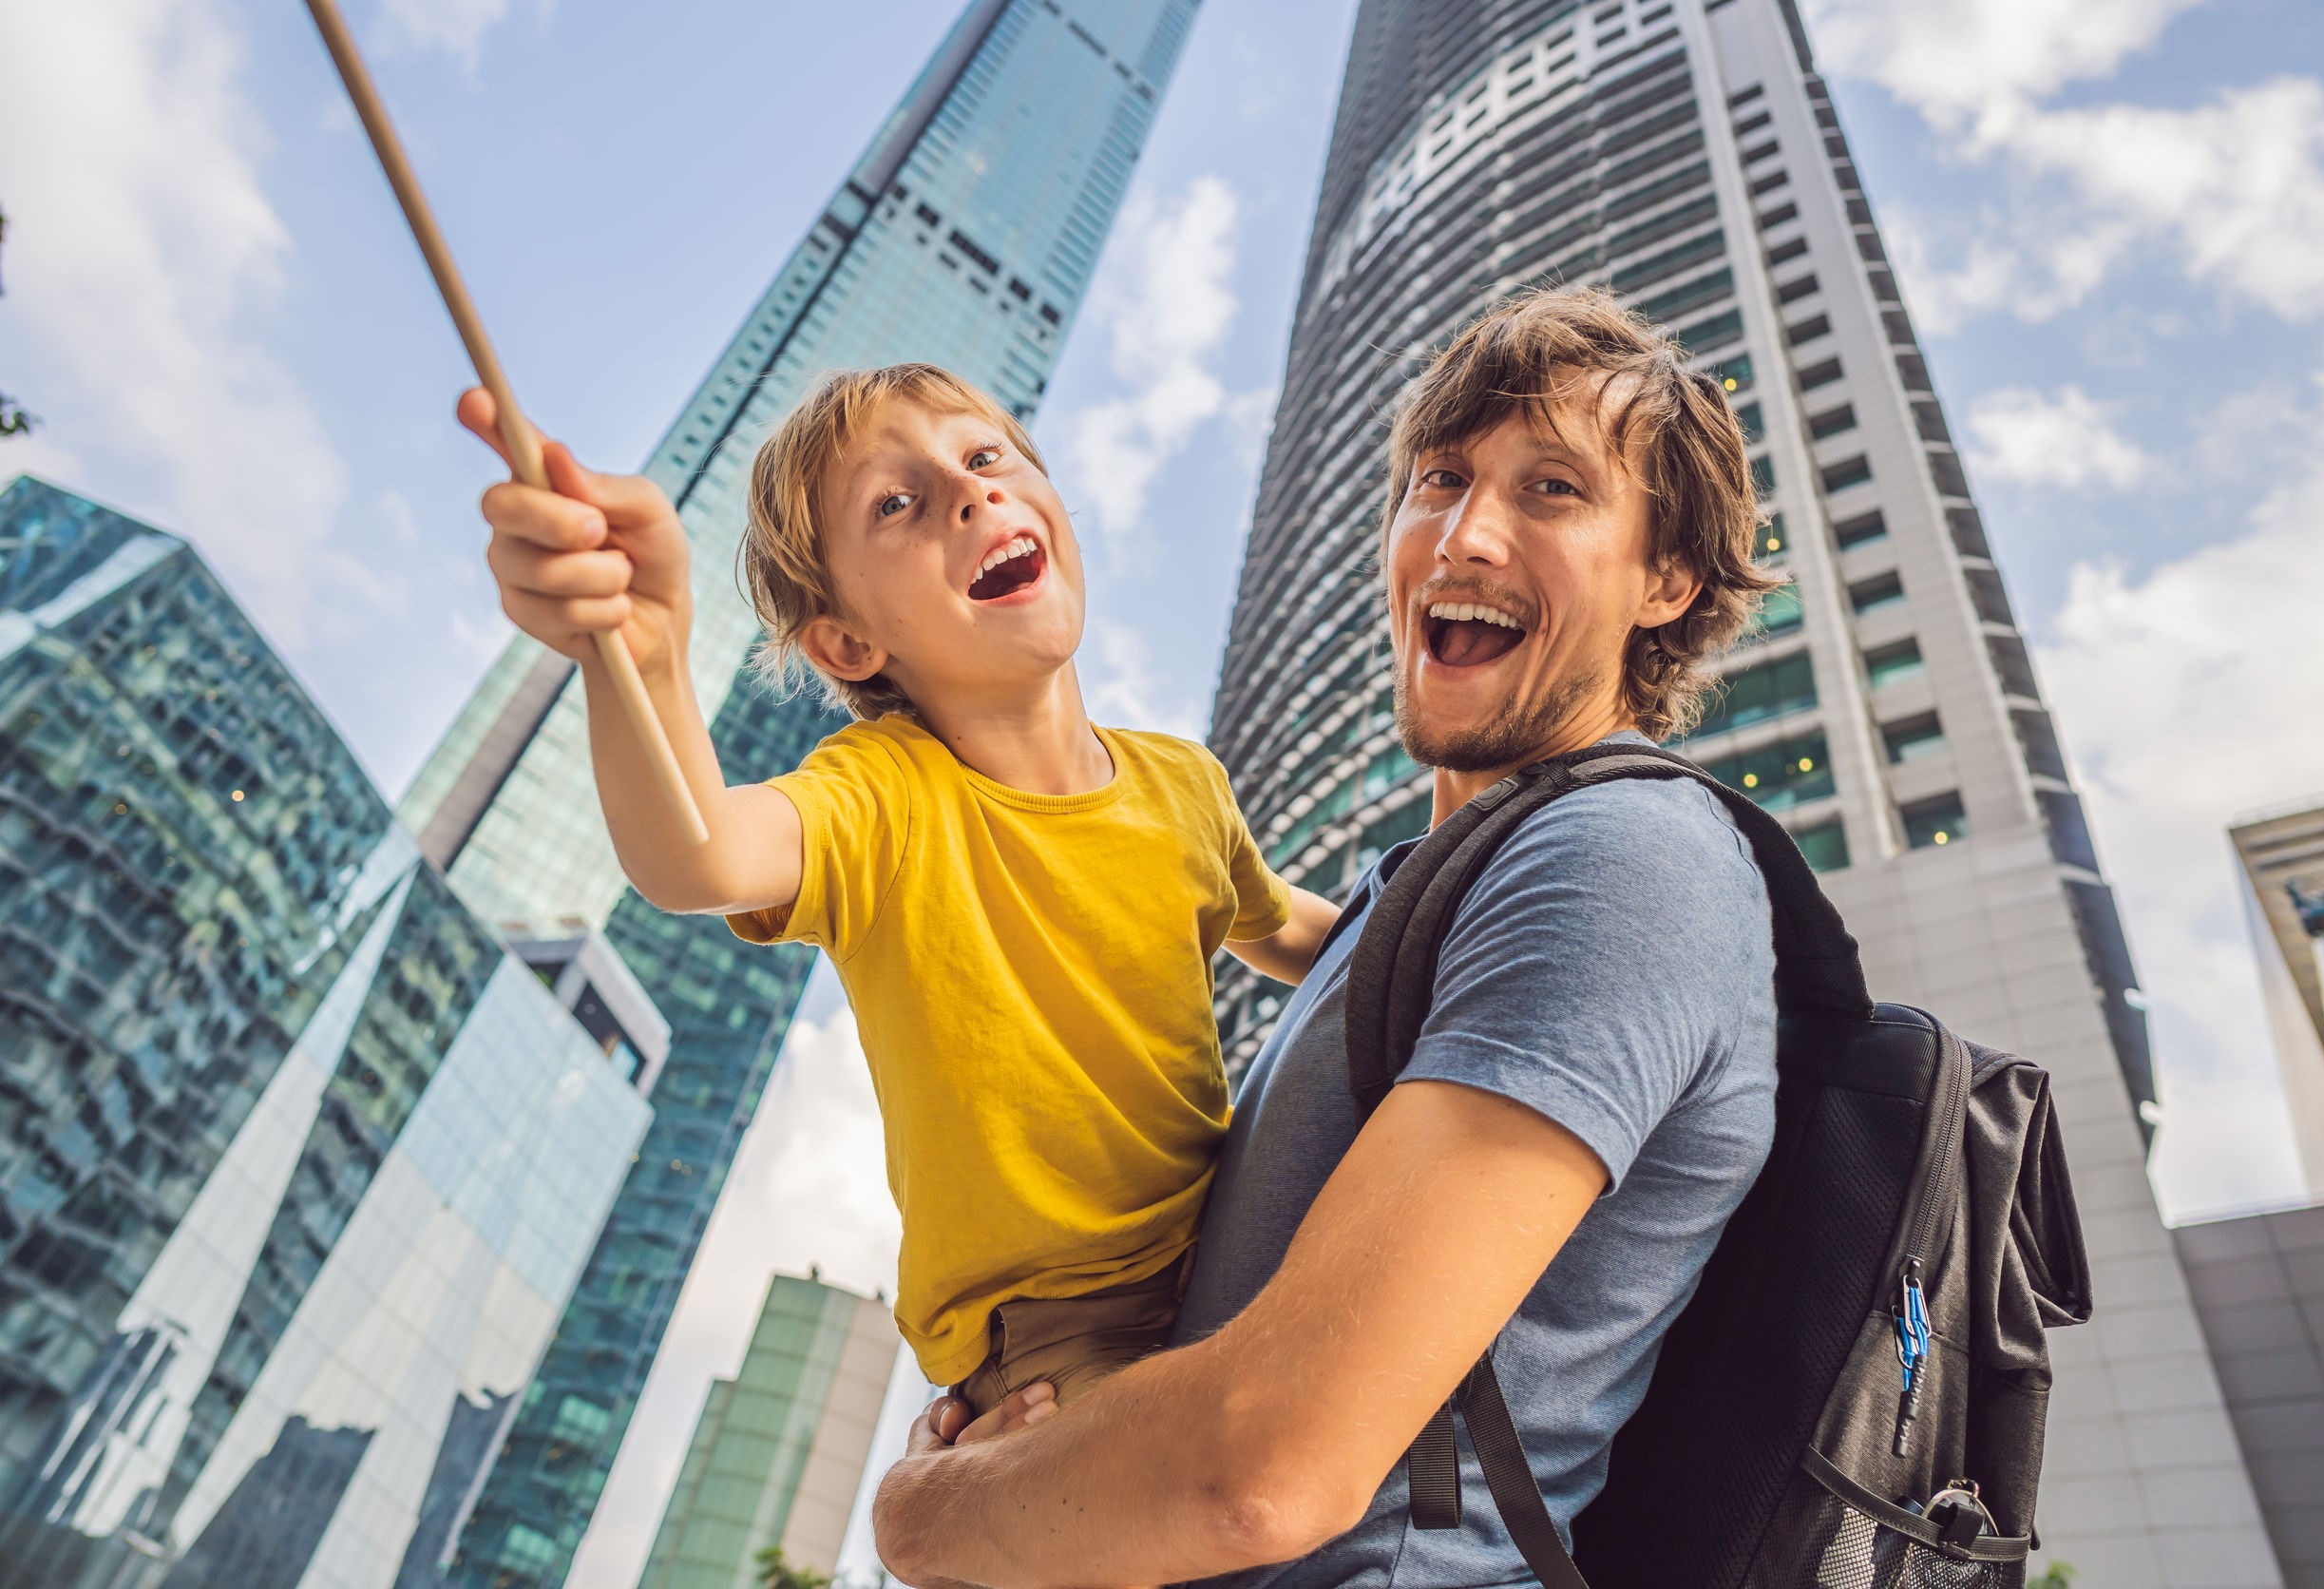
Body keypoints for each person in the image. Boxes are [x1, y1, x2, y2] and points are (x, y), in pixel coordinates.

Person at [869, 284, 1785, 1587]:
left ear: (1667, 578)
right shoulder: (1413, 904)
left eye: (1553, 492)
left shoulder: (1621, 861)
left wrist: (922, 1517)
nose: (1465, 534)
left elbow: (1263, 1469)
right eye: (1439, 479)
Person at [460, 362, 1338, 1423]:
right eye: (898, 503)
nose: (969, 494)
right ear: (848, 642)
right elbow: (699, 855)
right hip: (1059, 1342)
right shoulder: (884, 795)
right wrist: (641, 661)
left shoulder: (1185, 782)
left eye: (984, 458)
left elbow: (1299, 932)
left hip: (1238, 1250)